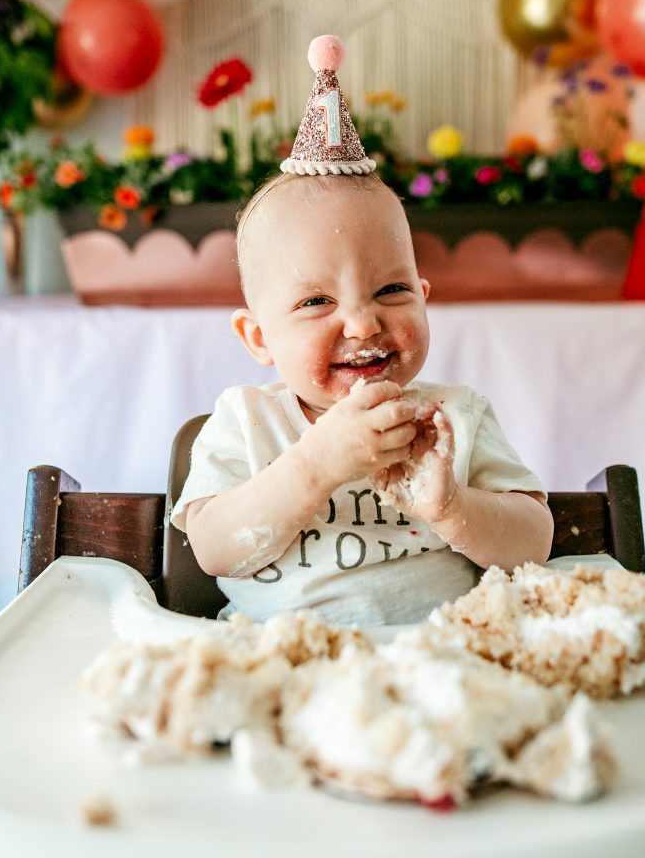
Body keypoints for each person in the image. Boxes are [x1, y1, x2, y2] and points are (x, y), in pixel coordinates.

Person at [170, 37, 552, 625]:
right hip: (283, 662)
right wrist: (318, 463)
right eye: (317, 300)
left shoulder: (455, 415)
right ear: (259, 338)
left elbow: (534, 543)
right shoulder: (248, 421)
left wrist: (453, 509)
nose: (362, 321)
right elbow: (214, 550)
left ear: (424, 299)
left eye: (391, 291)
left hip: (441, 656)